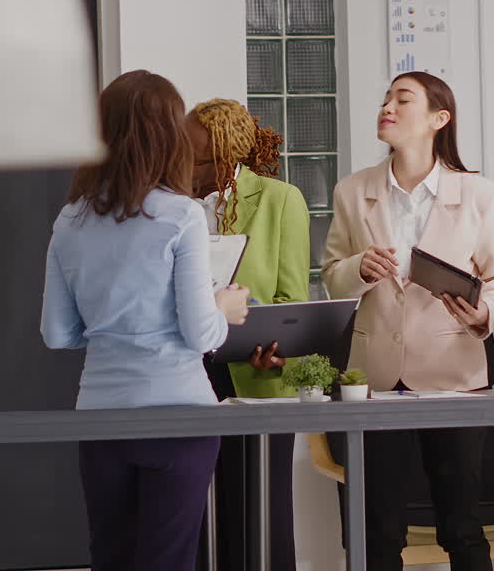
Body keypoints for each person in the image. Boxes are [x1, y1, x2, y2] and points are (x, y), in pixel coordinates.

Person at [41, 70, 251, 571]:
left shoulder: (71, 219)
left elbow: (57, 333)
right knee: (169, 560)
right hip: (179, 414)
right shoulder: (180, 215)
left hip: (101, 415)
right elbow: (200, 332)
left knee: (110, 557)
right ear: (168, 135)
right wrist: (224, 308)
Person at [321, 71, 494, 571]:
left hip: (453, 376)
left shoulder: (477, 194)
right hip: (376, 380)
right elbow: (331, 278)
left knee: (462, 526)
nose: (386, 106)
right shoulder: (353, 191)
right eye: (385, 98)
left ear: (439, 118)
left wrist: (484, 314)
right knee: (379, 530)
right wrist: (357, 270)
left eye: (401, 99)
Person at [187, 98, 309, 571]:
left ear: (225, 157)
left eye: (196, 157)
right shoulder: (170, 203)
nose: (185, 165)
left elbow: (290, 301)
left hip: (255, 381)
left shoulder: (279, 200)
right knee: (193, 521)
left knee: (260, 521)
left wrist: (272, 349)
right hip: (187, 379)